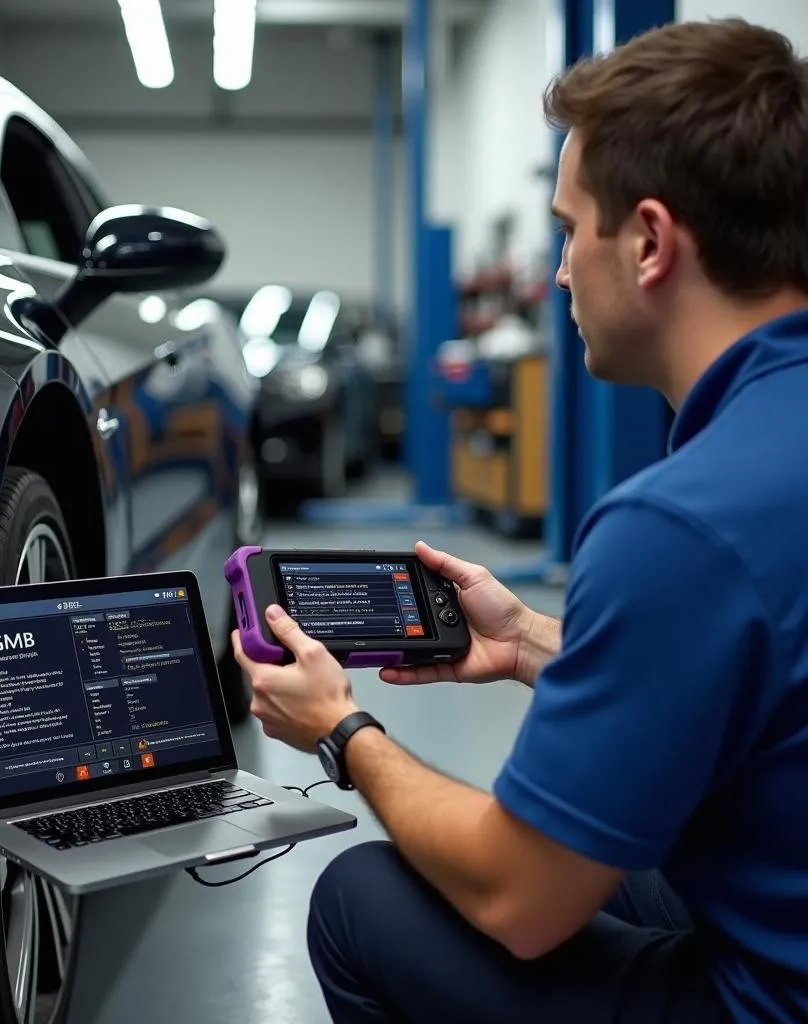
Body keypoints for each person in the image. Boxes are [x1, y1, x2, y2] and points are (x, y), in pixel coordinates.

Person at [230, 17, 808, 1024]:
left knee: (365, 898)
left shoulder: (679, 522)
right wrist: (540, 642)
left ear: (648, 241)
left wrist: (341, 730)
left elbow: (519, 901)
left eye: (567, 228)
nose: (553, 274)